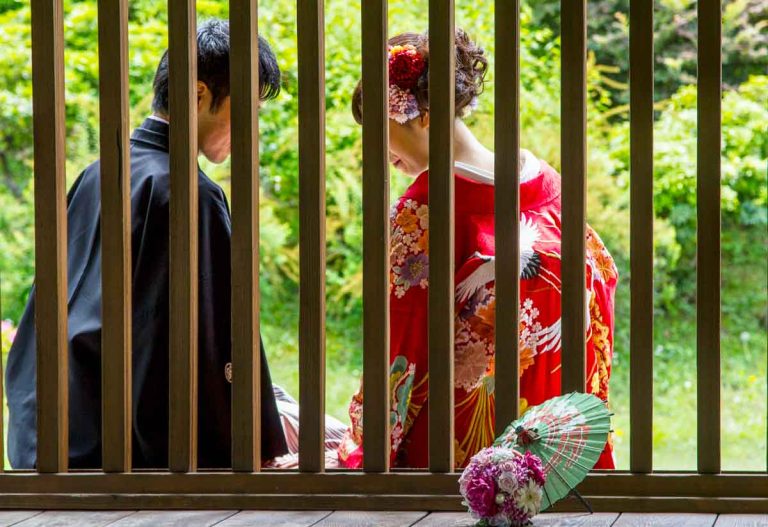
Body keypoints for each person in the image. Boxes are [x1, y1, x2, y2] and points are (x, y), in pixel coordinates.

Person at [5, 18, 288, 469]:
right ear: (198, 94)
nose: (252, 128)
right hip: (116, 455)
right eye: (248, 109)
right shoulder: (189, 194)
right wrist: (255, 447)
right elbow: (203, 347)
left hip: (47, 437)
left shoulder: (99, 174)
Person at [337, 30, 618, 469]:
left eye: (379, 129)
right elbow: (600, 284)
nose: (376, 149)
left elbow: (402, 340)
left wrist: (368, 443)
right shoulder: (547, 185)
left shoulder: (425, 207)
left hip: (457, 451)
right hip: (553, 440)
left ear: (425, 115)